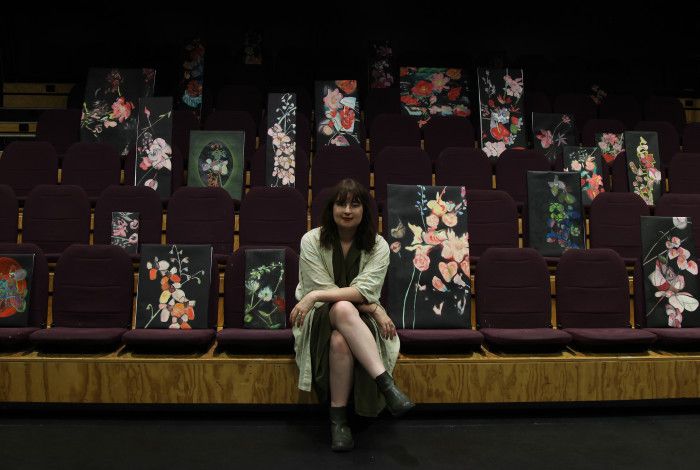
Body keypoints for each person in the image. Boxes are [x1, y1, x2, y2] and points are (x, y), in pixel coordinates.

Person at [291, 178, 414, 452]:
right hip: (318, 316)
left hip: (357, 323)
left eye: (354, 204)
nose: (347, 210)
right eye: (341, 203)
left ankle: (338, 422)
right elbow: (323, 291)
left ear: (364, 211)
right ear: (331, 208)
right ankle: (386, 384)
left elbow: (366, 289)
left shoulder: (378, 245)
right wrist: (372, 307)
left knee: (340, 341)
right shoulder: (311, 240)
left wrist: (360, 301)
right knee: (343, 307)